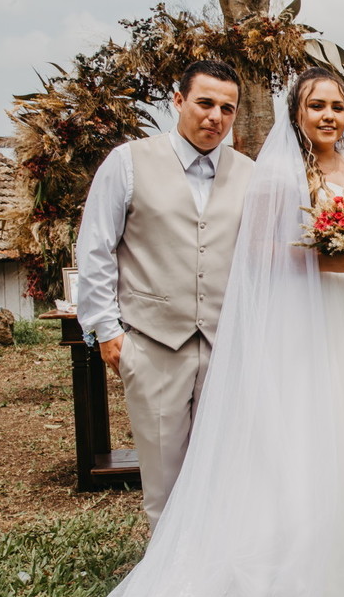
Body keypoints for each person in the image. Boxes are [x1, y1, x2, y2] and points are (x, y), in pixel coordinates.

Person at [4, 66, 344, 597]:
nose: (329, 115)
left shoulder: (330, 169)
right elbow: (254, 250)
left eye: (337, 105)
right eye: (316, 105)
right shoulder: (249, 172)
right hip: (218, 330)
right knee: (203, 460)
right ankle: (179, 574)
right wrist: (106, 331)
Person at [75, 60, 254, 532]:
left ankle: (218, 560)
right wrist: (107, 331)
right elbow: (96, 247)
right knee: (163, 477)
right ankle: (166, 569)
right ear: (178, 101)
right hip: (153, 342)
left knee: (224, 470)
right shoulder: (128, 162)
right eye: (205, 103)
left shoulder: (250, 173)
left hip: (226, 345)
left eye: (227, 108)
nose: (215, 116)